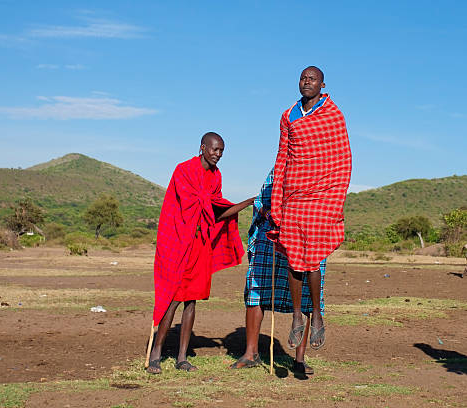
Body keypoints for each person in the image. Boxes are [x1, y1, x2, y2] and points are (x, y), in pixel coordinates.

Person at [147, 132, 254, 374]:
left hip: (200, 245)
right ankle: (156, 353)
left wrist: (248, 202)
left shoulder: (216, 177)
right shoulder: (184, 170)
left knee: (191, 300)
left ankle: (182, 357)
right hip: (179, 241)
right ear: (203, 147)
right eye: (215, 149)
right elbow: (191, 207)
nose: (218, 154)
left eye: (221, 151)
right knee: (173, 297)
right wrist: (218, 205)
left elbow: (216, 213)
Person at [267, 66, 351, 351]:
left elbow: (342, 159)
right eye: (303, 78)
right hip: (293, 193)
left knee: (312, 259)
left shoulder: (333, 115)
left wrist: (335, 199)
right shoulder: (288, 116)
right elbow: (283, 156)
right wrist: (276, 197)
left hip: (322, 196)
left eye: (311, 79)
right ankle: (296, 317)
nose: (306, 82)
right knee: (293, 256)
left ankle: (317, 314)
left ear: (322, 84)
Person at [231, 168, 326, 375]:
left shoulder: (320, 169)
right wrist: (270, 214)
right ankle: (251, 353)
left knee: (308, 294)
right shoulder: (280, 169)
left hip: (308, 233)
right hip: (273, 231)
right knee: (257, 288)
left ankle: (299, 360)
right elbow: (262, 201)